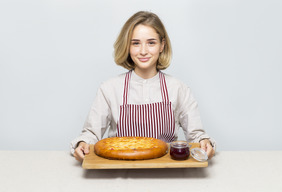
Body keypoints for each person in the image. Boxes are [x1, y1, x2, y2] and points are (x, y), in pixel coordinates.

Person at [71, 11, 216, 162]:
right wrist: (82, 144)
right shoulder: (109, 88)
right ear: (127, 46)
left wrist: (204, 143)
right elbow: (90, 135)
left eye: (151, 42)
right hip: (120, 169)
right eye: (135, 43)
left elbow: (196, 136)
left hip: (166, 171)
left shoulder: (178, 88)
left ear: (162, 45)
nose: (143, 51)